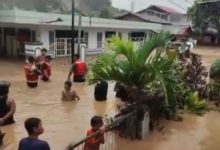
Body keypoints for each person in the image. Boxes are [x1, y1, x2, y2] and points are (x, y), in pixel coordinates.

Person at [0, 81, 15, 146]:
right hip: (8, 122)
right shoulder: (10, 100)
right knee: (10, 140)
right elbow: (12, 111)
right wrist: (3, 119)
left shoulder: (10, 100)